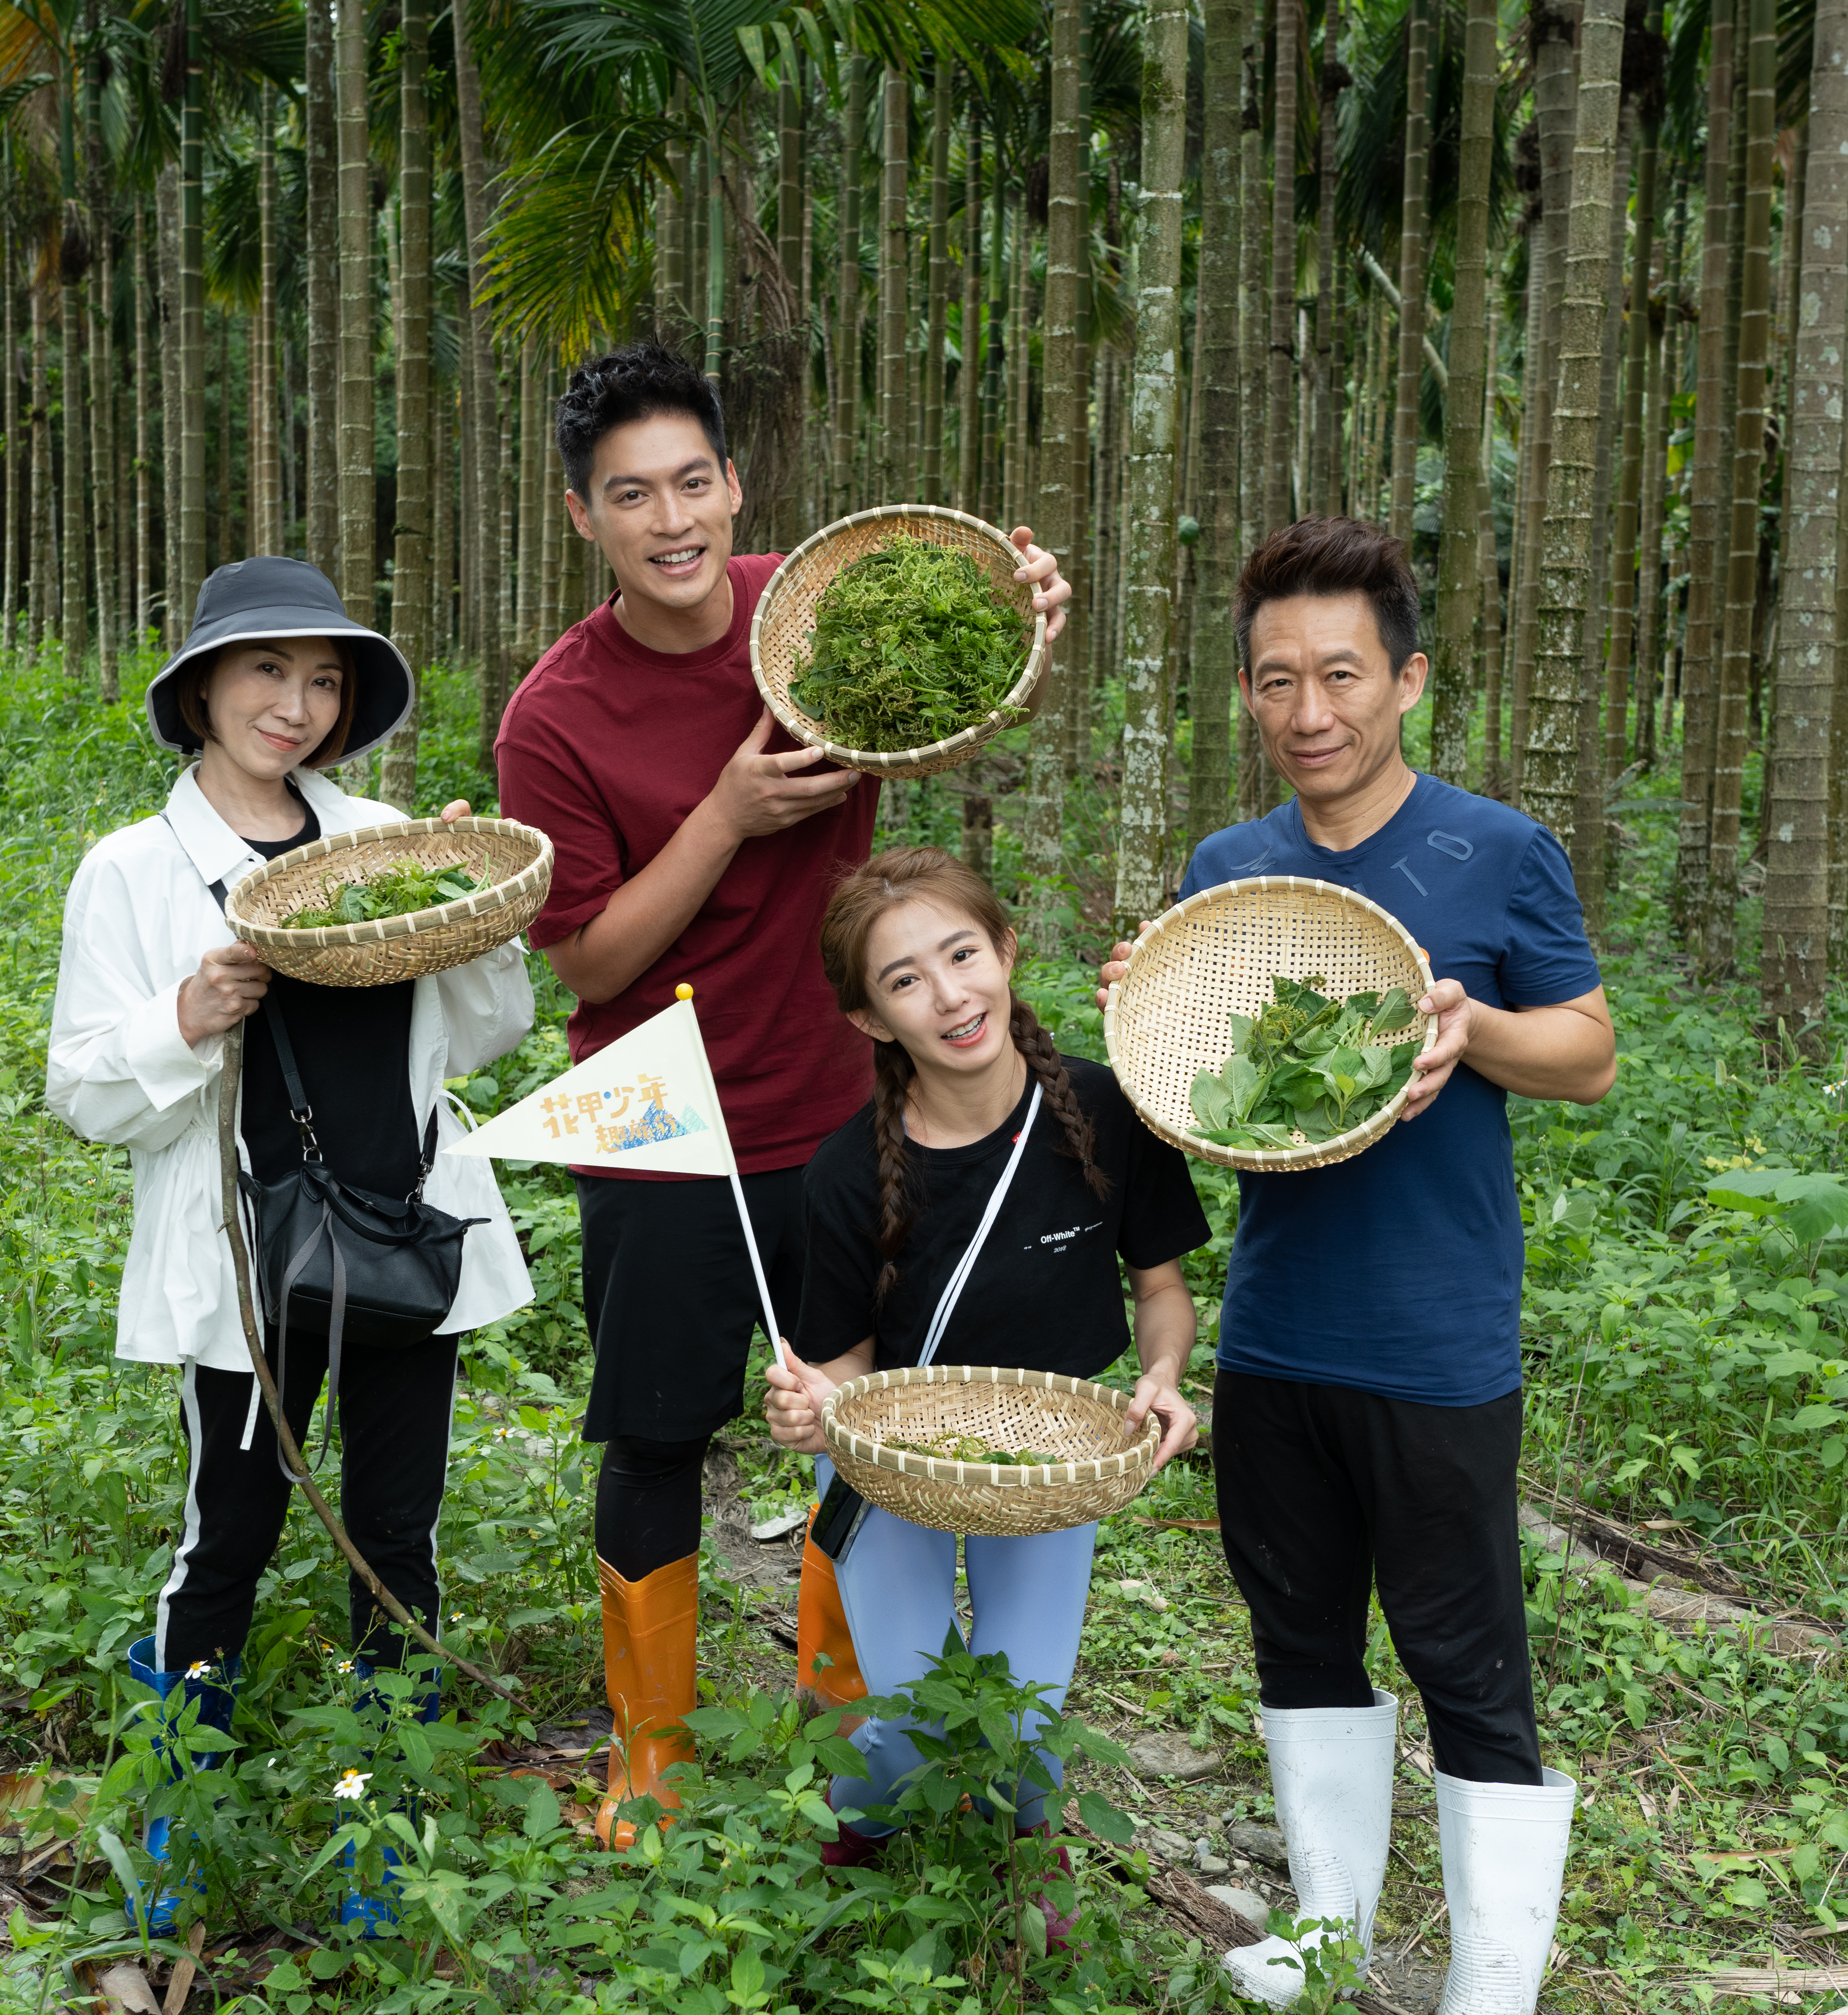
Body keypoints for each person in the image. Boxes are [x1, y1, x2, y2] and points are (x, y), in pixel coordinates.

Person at [492, 343, 1072, 1845]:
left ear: (734, 485)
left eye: (693, 482)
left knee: (856, 1418)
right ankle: (650, 1759)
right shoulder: (553, 719)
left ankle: (843, 1727)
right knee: (657, 1431)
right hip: (658, 1115)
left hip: (840, 1113)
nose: (670, 519)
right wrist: (727, 814)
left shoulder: (808, 617)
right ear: (584, 519)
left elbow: (952, 705)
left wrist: (1021, 632)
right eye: (631, 496)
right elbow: (588, 956)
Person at [1097, 518, 1616, 2012]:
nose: (1307, 712)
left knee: (1465, 1653)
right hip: (1276, 1330)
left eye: (1339, 674)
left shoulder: (1494, 850)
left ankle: (1490, 1981)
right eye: (1274, 680)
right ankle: (1327, 1927)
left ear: (1407, 681)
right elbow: (1199, 1104)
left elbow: (1583, 1055)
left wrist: (1471, 1032)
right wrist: (1147, 1018)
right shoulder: (1230, 867)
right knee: (1297, 1626)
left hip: (1434, 1334)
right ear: (1247, 695)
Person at [46, 556, 539, 1933]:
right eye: (269, 671)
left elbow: (482, 1036)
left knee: (398, 1530)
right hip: (249, 1266)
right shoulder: (136, 872)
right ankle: (178, 1820)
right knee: (232, 1534)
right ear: (202, 684)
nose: (297, 705)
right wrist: (189, 1011)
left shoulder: (378, 840)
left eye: (324, 681)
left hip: (408, 1244)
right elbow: (82, 1088)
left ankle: (387, 1841)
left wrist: (474, 914)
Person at [758, 848, 1206, 1877]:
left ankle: (1016, 1848)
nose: (950, 995)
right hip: (890, 1464)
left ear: (1007, 951)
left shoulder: (1108, 1113)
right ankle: (863, 1820)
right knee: (917, 1715)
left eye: (963, 953)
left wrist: (1164, 1373)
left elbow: (1161, 1288)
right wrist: (813, 1412)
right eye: (905, 979)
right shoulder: (843, 1175)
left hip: (1051, 1463)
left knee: (1027, 1715)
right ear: (873, 1019)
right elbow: (840, 1375)